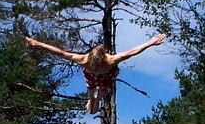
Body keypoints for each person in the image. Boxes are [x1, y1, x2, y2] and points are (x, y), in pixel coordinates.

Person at [25, 33, 166, 114]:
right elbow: (60, 52)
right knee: (91, 89)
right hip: (90, 76)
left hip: (108, 75)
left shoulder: (112, 60)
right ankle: (92, 99)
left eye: (98, 66)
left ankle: (98, 99)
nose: (96, 68)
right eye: (93, 66)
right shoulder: (82, 59)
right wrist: (38, 44)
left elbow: (133, 51)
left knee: (103, 90)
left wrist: (151, 42)